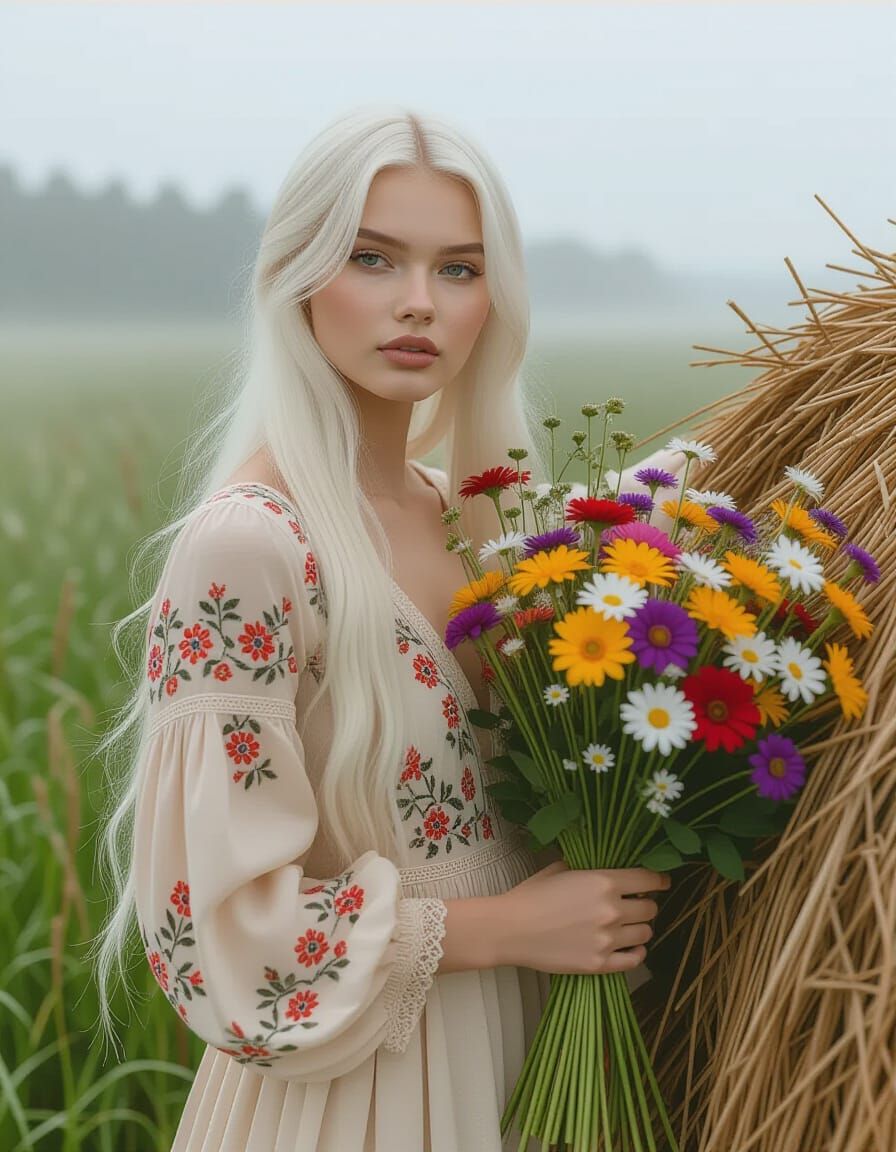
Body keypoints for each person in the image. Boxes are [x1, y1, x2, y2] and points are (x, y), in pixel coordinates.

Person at [91, 105, 680, 1152]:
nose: (419, 302)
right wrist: (506, 927)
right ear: (295, 276)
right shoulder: (250, 546)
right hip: (356, 1094)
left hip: (531, 1055)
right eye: (373, 259)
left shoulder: (477, 523)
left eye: (458, 269)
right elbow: (209, 933)